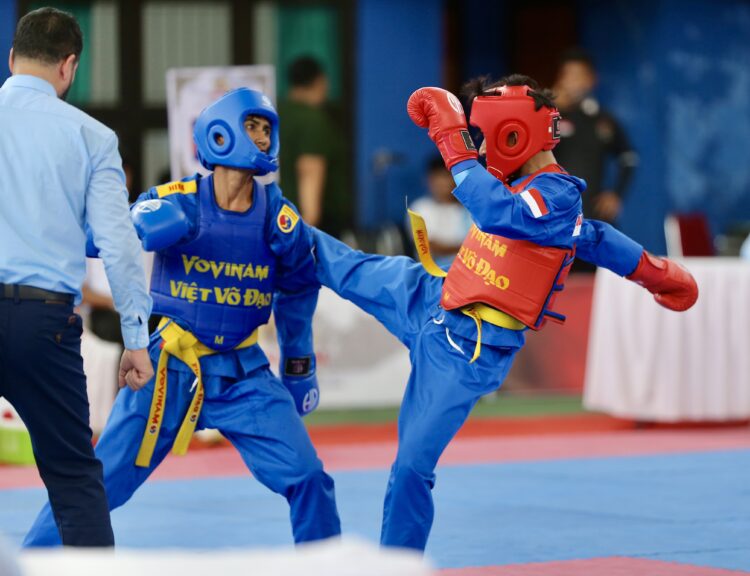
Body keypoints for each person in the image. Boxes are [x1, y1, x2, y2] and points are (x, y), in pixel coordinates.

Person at [309, 74, 698, 552]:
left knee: (411, 466)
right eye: (474, 138)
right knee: (340, 262)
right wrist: (655, 274)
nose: (480, 149)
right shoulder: (528, 192)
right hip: (429, 295)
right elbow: (595, 238)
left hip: (466, 352)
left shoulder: (556, 195)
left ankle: (397, 563)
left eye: (485, 137)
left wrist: (451, 139)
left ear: (514, 135)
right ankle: (269, 223)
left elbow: (502, 214)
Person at [24, 87, 341, 547]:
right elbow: (99, 239)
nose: (261, 137)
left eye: (266, 129)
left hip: (243, 373)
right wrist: (127, 225)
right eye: (251, 126)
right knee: (96, 486)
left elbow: (298, 291)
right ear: (219, 134)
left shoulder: (279, 218)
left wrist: (298, 363)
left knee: (309, 475)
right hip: (169, 369)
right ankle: (29, 563)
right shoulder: (179, 202)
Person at [0, 7, 153, 547]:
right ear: (69, 66)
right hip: (43, 324)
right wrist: (136, 339)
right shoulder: (92, 137)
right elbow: (120, 246)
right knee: (73, 481)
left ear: (12, 58)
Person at [552, 49, 638, 227]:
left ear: (591, 79)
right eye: (568, 75)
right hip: (555, 214)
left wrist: (616, 194)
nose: (573, 82)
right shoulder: (550, 116)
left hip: (592, 216)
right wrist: (550, 106)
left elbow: (628, 158)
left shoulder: (602, 120)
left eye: (579, 76)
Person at [278, 56, 349, 237]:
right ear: (320, 81)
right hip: (306, 226)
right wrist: (307, 229)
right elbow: (309, 170)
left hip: (278, 218)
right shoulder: (312, 120)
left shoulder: (275, 112)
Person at [407, 156, 471, 267]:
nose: (446, 182)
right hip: (433, 271)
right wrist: (468, 248)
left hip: (471, 270)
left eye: (449, 176)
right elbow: (430, 247)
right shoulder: (420, 208)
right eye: (440, 176)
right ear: (430, 180)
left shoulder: (470, 209)